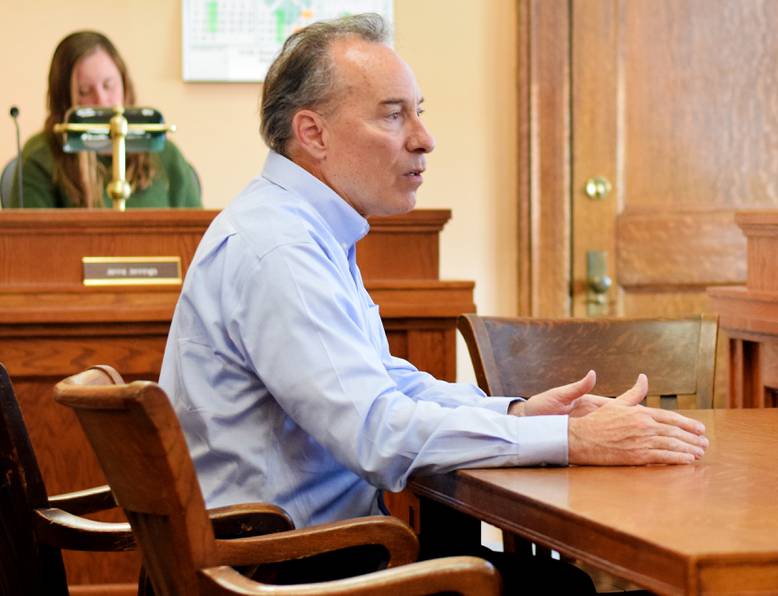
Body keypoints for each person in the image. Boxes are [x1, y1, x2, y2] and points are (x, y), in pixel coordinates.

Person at [159, 13, 707, 593]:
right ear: (313, 133)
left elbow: (383, 383)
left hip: (295, 555)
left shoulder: (297, 227)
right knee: (559, 588)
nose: (424, 138)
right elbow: (376, 431)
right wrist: (574, 440)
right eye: (393, 115)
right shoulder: (279, 248)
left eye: (418, 111)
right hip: (282, 574)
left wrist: (518, 414)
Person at [10, 30, 201, 209]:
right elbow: (28, 241)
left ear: (125, 85)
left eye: (109, 85)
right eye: (85, 91)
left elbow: (199, 237)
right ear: (64, 99)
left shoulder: (164, 153)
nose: (101, 100)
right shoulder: (41, 157)